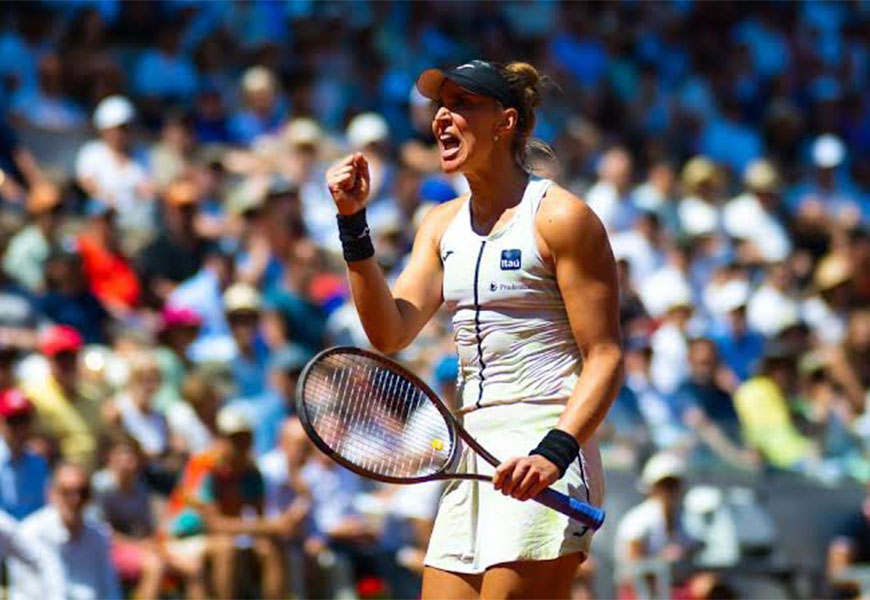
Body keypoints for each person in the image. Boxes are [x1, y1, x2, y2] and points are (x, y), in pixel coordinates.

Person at [324, 60, 622, 598]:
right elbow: (389, 332)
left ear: (505, 122)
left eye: (463, 105)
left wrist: (553, 453)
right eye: (441, 105)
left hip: (546, 442)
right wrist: (353, 224)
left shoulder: (561, 217)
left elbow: (605, 357)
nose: (442, 117)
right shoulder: (439, 224)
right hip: (473, 450)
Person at [8, 462, 122, 600]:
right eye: (66, 492)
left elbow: (110, 591)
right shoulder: (30, 534)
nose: (76, 499)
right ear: (51, 494)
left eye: (82, 492)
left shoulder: (99, 534)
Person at [0, 388, 49, 519]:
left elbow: (43, 508)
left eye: (23, 420)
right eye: (12, 421)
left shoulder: (39, 464)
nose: (19, 428)